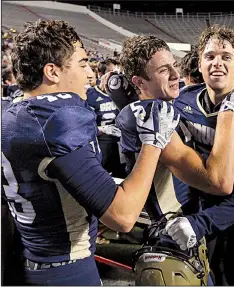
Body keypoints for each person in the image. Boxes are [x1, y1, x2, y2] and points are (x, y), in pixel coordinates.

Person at [1, 19, 180, 286]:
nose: (89, 74)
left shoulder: (13, 112)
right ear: (52, 71)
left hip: (31, 257)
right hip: (67, 270)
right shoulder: (56, 122)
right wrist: (152, 142)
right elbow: (123, 216)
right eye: (82, 64)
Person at [112, 34, 234, 285]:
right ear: (139, 82)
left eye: (173, 66)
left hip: (187, 231)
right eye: (162, 70)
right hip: (173, 238)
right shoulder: (149, 115)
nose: (174, 75)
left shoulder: (168, 106)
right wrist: (227, 113)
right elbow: (219, 182)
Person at [165, 25, 234, 285]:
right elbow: (184, 163)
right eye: (210, 56)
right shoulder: (185, 103)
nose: (217, 63)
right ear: (200, 64)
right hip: (207, 207)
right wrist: (191, 211)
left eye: (226, 57)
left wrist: (200, 223)